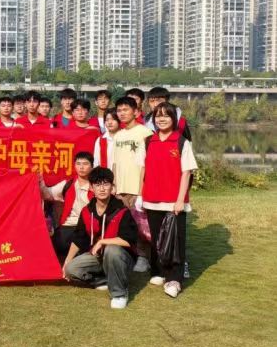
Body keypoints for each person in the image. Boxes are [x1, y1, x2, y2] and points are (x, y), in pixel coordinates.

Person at [141, 102, 197, 298]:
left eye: (166, 115)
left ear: (173, 119)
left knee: (176, 241)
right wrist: (140, 195)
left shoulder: (181, 142)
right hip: (151, 198)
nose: (161, 119)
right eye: (158, 115)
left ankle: (175, 279)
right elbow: (142, 170)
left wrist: (180, 200)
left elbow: (186, 173)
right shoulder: (149, 141)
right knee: (156, 238)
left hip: (173, 201)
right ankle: (159, 271)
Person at [62, 167, 138, 309]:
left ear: (112, 187)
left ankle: (119, 294)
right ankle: (104, 280)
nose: (102, 188)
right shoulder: (86, 211)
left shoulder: (122, 211)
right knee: (71, 269)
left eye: (106, 184)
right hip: (98, 257)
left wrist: (103, 242)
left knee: (112, 250)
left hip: (120, 257)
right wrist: (67, 261)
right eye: (97, 184)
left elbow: (129, 241)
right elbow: (79, 238)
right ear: (91, 188)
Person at [112, 96, 153, 273]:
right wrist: (113, 185)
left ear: (135, 112)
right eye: (119, 110)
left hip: (138, 188)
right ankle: (129, 256)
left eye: (125, 110)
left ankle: (145, 258)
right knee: (124, 225)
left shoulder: (145, 133)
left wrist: (143, 190)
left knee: (142, 227)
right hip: (120, 189)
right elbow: (115, 162)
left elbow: (149, 164)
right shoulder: (118, 135)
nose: (122, 113)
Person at [39, 152, 94, 261]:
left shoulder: (97, 186)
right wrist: (41, 182)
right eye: (78, 164)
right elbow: (48, 194)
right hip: (69, 225)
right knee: (53, 243)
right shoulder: (68, 184)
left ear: (92, 166)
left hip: (88, 227)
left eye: (85, 164)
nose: (81, 167)